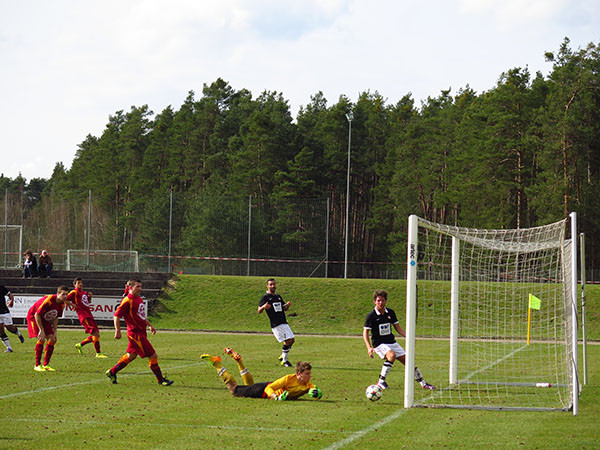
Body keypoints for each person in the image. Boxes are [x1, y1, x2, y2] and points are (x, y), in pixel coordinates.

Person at [363, 289, 436, 390]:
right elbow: (365, 333)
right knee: (391, 355)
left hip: (391, 342)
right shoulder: (371, 316)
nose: (381, 302)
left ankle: (423, 383)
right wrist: (369, 347)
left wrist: (409, 337)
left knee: (409, 361)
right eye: (378, 300)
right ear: (375, 301)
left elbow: (398, 328)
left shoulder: (390, 312)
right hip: (379, 344)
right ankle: (381, 382)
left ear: (385, 301)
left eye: (382, 300)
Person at [105, 279, 173, 386]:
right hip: (135, 334)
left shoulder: (139, 299)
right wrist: (117, 330)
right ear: (131, 287)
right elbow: (116, 315)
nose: (140, 289)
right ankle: (161, 380)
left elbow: (141, 316)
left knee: (131, 356)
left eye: (140, 286)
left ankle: (112, 372)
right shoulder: (127, 301)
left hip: (141, 332)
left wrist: (149, 325)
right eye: (137, 286)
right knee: (153, 355)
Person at [201, 348, 322, 400]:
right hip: (263, 391)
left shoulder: (308, 384)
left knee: (249, 385)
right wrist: (276, 397)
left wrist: (316, 394)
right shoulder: (288, 379)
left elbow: (315, 391)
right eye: (306, 374)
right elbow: (270, 387)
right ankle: (216, 363)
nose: (309, 376)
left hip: (262, 390)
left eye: (309, 374)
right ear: (298, 374)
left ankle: (239, 362)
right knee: (234, 390)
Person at [26, 285, 70, 371]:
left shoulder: (62, 304)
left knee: (52, 339)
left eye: (66, 294)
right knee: (41, 338)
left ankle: (46, 364)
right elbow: (37, 314)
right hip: (34, 317)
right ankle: (37, 365)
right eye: (63, 294)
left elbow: (55, 317)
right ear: (57, 293)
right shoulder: (49, 300)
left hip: (44, 318)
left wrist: (55, 331)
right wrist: (41, 330)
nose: (65, 296)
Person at [258, 278, 295, 367]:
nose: (273, 286)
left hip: (283, 321)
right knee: (287, 341)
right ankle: (285, 361)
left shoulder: (278, 297)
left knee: (292, 340)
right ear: (267, 286)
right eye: (270, 284)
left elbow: (284, 308)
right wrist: (264, 306)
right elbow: (259, 310)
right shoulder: (265, 297)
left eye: (274, 284)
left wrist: (287, 306)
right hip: (276, 324)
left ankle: (283, 356)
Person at [68, 277, 106, 358]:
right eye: (78, 283)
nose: (80, 284)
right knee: (95, 333)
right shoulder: (74, 292)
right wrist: (72, 305)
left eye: (81, 282)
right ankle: (98, 353)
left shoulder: (84, 292)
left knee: (96, 334)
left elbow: (87, 302)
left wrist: (89, 297)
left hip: (89, 314)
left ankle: (80, 345)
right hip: (83, 315)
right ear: (74, 285)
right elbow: (64, 299)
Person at [0, 284, 25, 353]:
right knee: (1, 331)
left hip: (4, 311)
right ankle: (9, 348)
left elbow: (10, 295)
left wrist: (11, 301)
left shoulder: (1, 287)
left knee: (10, 328)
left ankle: (18, 333)